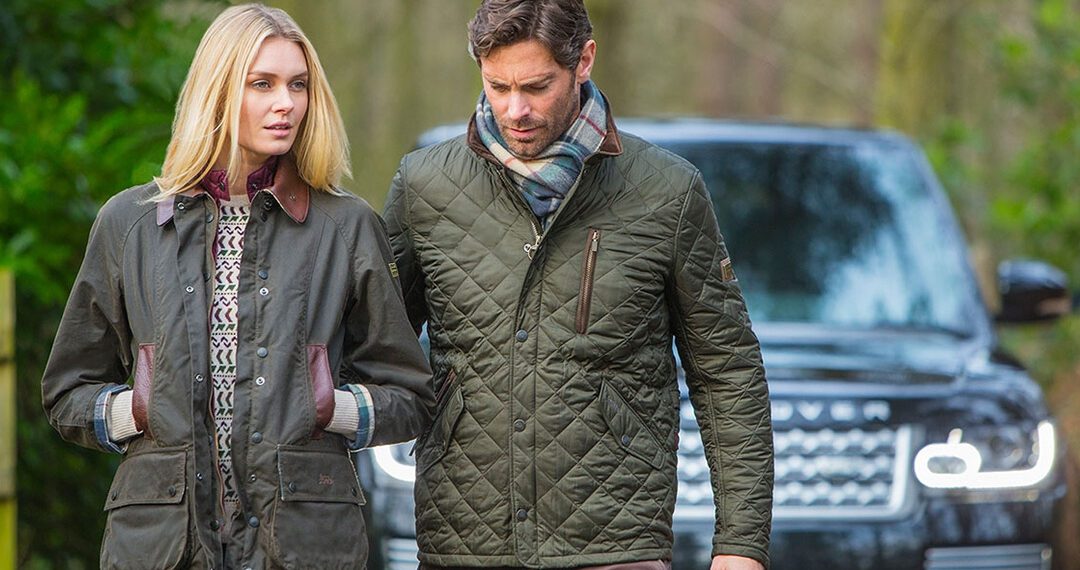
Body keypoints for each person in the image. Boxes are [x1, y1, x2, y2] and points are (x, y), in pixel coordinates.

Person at [384, 0, 773, 569]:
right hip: (462, 543)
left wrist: (742, 546)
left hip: (617, 542)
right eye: (497, 86)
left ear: (584, 60)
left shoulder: (667, 191)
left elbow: (727, 371)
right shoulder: (424, 187)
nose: (515, 109)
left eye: (537, 86)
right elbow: (374, 352)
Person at [41, 4, 433, 568]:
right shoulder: (128, 224)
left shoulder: (346, 227)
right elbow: (66, 392)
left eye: (298, 85)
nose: (286, 103)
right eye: (263, 84)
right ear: (219, 90)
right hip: (160, 542)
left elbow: (411, 395)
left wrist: (329, 408)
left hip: (303, 540)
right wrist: (139, 410)